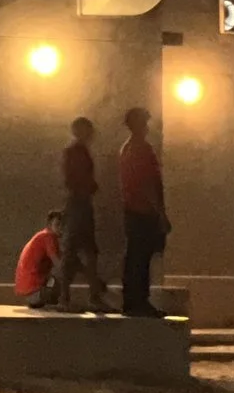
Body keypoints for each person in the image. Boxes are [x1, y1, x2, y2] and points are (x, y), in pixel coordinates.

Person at [118, 106, 171, 317]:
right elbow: (148, 183)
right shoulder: (142, 149)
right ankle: (139, 301)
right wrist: (160, 214)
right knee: (141, 257)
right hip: (143, 212)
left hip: (132, 210)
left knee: (135, 256)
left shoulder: (126, 149)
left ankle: (132, 300)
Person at [57, 116, 109, 312]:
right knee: (80, 251)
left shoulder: (76, 151)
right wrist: (89, 188)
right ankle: (75, 296)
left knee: (80, 251)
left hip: (79, 202)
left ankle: (72, 296)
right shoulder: (76, 152)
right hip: (80, 204)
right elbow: (75, 179)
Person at [14, 211, 64, 309]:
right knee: (60, 279)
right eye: (57, 225)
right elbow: (59, 264)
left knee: (54, 278)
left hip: (28, 290)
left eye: (63, 225)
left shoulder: (44, 236)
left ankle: (43, 301)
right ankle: (61, 304)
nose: (61, 228)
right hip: (33, 290)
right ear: (49, 225)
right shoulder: (48, 236)